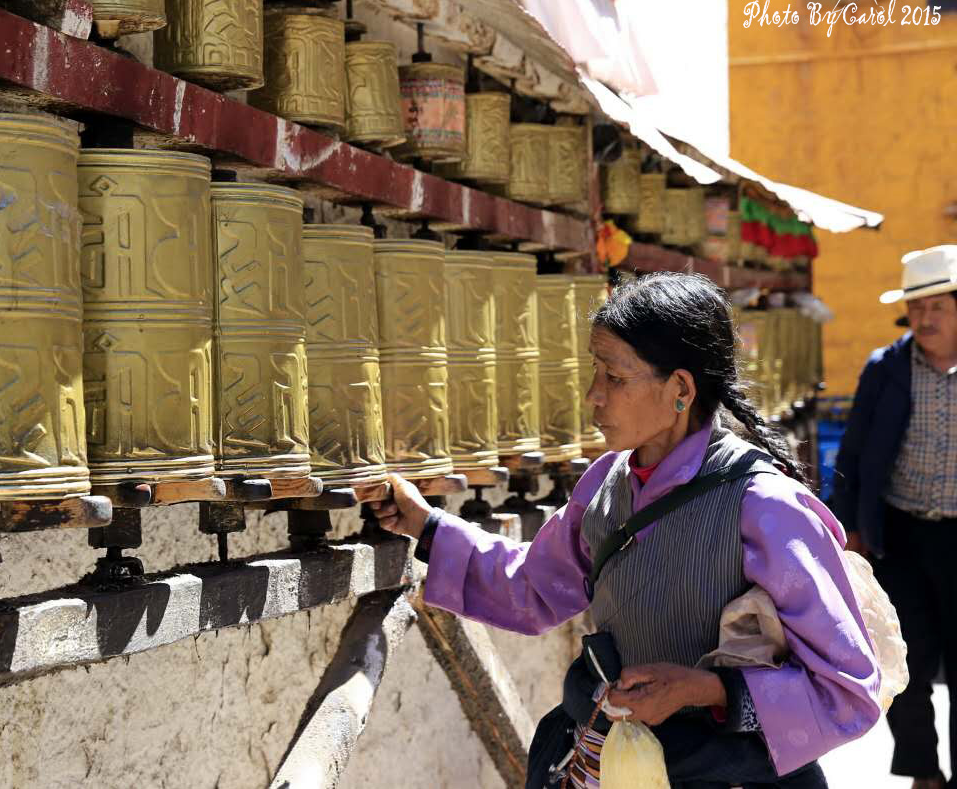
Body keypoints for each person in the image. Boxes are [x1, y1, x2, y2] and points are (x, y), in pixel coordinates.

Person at [370, 272, 880, 788]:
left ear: (680, 389)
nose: (594, 395)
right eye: (596, 372)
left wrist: (706, 688)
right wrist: (426, 524)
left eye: (614, 378)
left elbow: (847, 692)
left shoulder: (764, 506)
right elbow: (532, 586)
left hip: (723, 773)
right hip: (610, 764)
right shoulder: (606, 485)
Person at [833, 245, 957, 789]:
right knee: (902, 660)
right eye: (917, 307)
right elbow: (853, 455)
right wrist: (851, 531)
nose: (925, 318)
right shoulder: (887, 370)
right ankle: (923, 773)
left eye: (938, 306)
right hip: (900, 536)